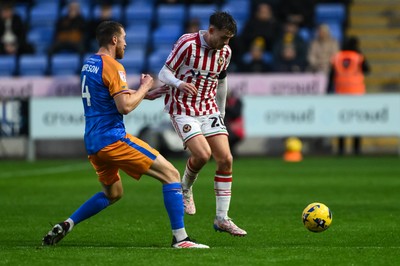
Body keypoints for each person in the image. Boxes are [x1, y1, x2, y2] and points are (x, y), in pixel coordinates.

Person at [42, 21, 209, 249]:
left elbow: (107, 94)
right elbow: (124, 107)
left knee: (114, 193)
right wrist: (144, 87)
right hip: (112, 138)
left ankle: (68, 223)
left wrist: (144, 94)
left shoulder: (89, 63)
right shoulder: (113, 66)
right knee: (171, 174)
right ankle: (181, 239)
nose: (125, 43)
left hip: (93, 143)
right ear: (114, 40)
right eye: (123, 38)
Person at [158, 11, 247, 236]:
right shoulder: (187, 44)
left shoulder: (224, 52)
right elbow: (164, 73)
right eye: (224, 37)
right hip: (183, 109)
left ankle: (222, 218)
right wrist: (179, 83)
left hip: (209, 109)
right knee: (202, 155)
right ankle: (185, 187)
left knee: (226, 159)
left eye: (230, 39)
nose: (226, 43)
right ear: (211, 30)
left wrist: (222, 111)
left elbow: (222, 81)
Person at [329, 36, 370, 155]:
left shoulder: (337, 57)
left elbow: (331, 76)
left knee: (342, 121)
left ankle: (341, 148)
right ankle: (356, 148)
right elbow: (367, 70)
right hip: (357, 93)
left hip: (341, 93)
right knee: (356, 121)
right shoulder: (358, 57)